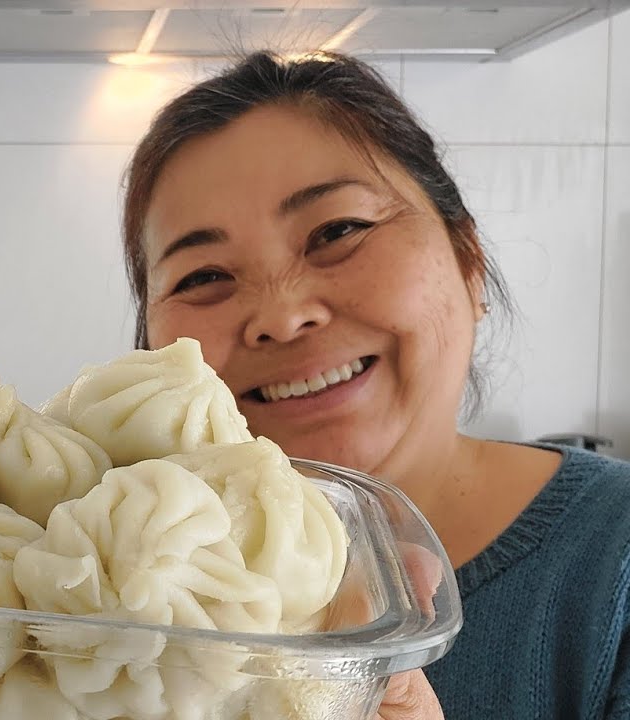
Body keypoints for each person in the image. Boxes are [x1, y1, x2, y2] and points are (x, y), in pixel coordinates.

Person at [122, 51, 630, 719]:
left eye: (339, 231)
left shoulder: (613, 560)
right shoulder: (105, 592)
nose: (280, 315)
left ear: (468, 262)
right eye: (203, 277)